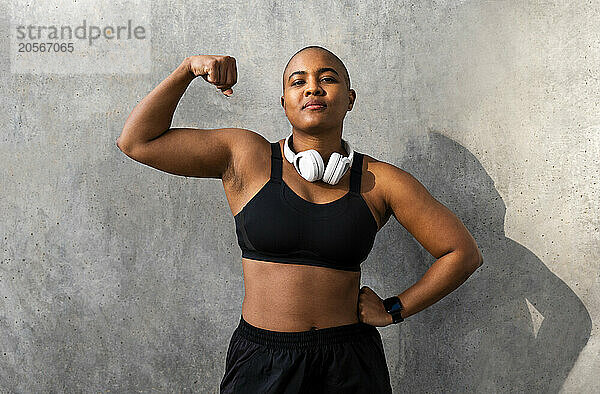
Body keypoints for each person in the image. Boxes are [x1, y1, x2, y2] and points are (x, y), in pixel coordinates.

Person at [116, 45, 483, 393]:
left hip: (349, 364)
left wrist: (394, 308)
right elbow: (137, 141)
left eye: (328, 78)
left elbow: (461, 253)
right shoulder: (246, 156)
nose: (313, 88)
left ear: (349, 98)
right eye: (298, 81)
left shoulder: (381, 181)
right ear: (284, 102)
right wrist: (187, 70)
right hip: (262, 361)